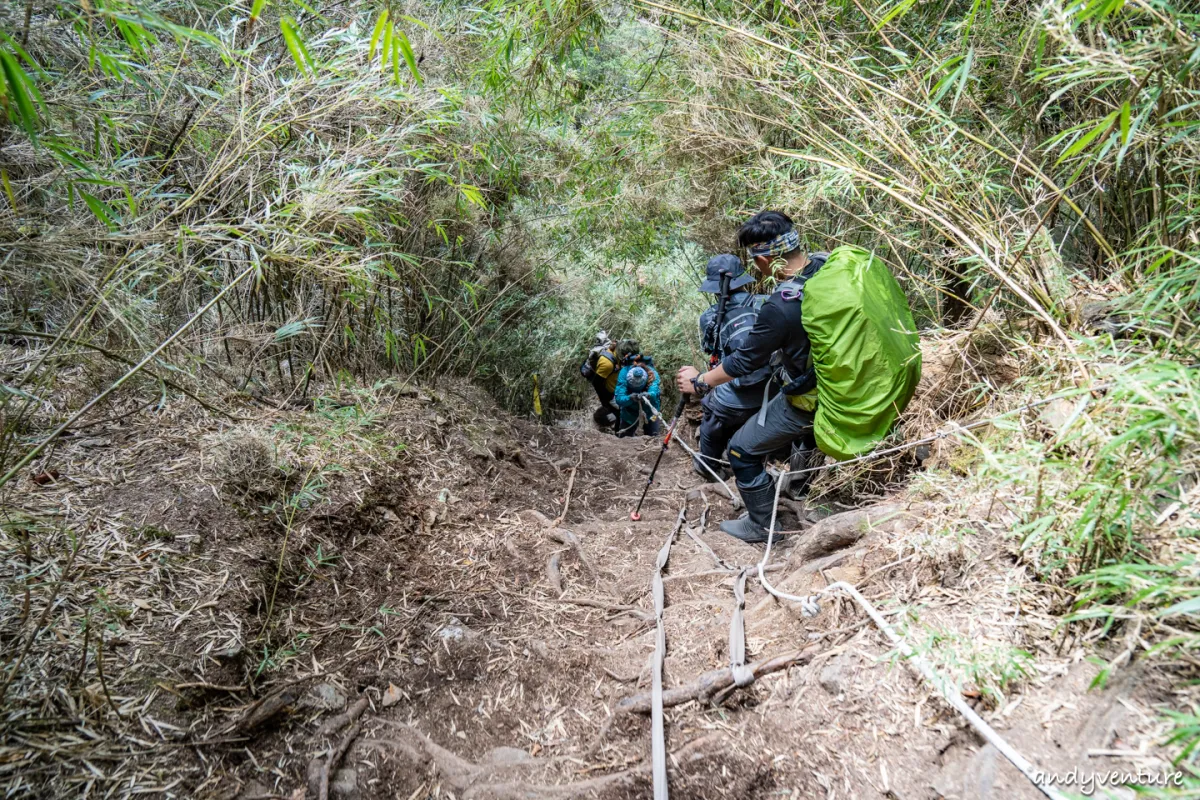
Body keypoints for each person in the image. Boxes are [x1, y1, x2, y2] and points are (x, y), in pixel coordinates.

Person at [677, 211, 830, 543]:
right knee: (803, 433)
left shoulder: (780, 304)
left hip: (807, 392)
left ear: (762, 257)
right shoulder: (828, 268)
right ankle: (802, 487)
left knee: (739, 448)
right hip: (839, 380)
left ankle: (762, 524)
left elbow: (743, 361)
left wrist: (700, 381)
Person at [694, 254, 774, 481]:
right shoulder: (766, 303)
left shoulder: (709, 317)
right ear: (743, 279)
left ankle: (708, 465)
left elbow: (711, 350)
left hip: (733, 396)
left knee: (711, 412)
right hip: (773, 390)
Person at [614, 353, 661, 437]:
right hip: (629, 414)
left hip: (651, 411)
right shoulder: (624, 373)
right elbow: (619, 398)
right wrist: (630, 398)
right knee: (624, 439)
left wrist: (648, 395)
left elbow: (654, 391)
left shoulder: (653, 374)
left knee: (654, 437)